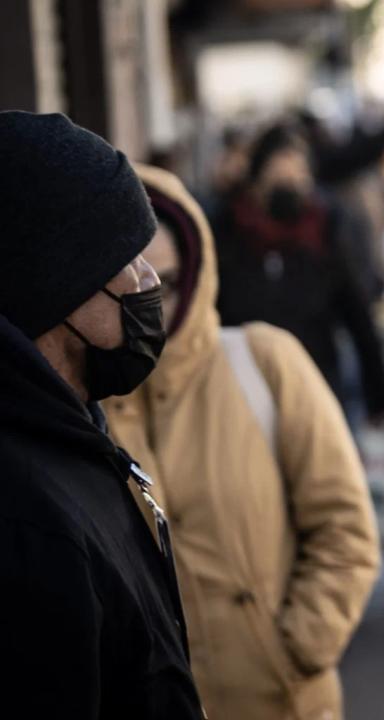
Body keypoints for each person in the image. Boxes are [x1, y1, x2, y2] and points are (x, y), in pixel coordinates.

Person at [104, 164, 381, 720]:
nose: (149, 303)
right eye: (125, 285)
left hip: (282, 701)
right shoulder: (81, 409)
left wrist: (296, 647)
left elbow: (345, 528)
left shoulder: (264, 361)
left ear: (197, 268)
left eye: (168, 281)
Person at [0, 112, 203, 718]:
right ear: (59, 286)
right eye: (128, 260)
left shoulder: (75, 432)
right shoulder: (26, 515)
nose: (147, 283)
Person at [213, 122, 384, 416]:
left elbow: (356, 312)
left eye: (297, 173)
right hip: (241, 392)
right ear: (257, 179)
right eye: (278, 173)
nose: (288, 182)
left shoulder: (325, 233)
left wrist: (380, 393)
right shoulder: (228, 233)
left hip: (314, 387)